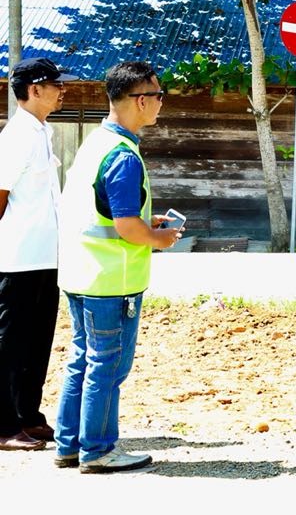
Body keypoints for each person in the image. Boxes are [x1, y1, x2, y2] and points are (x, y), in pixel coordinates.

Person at [55, 61, 184, 473]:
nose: (161, 104)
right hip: (111, 280)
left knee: (84, 360)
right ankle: (98, 450)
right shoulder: (124, 155)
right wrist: (158, 238)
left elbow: (106, 214)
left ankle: (70, 444)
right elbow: (127, 227)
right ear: (140, 100)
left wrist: (148, 226)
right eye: (159, 95)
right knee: (108, 366)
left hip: (82, 273)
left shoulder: (97, 143)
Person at [0, 58, 74, 452]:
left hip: (45, 256)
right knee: (9, 345)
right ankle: (3, 424)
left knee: (37, 341)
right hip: (17, 259)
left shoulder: (41, 131)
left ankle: (28, 415)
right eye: (54, 84)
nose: (62, 89)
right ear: (33, 89)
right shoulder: (16, 136)